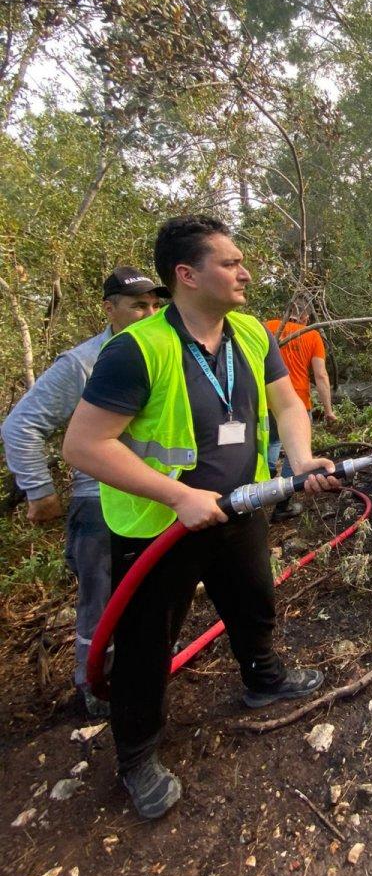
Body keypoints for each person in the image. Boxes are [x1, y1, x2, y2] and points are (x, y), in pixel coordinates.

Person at [63, 215, 339, 820]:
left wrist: (299, 460)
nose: (245, 273)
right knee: (144, 646)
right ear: (187, 275)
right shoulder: (136, 351)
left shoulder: (250, 333)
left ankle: (262, 680)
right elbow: (83, 447)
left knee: (253, 600)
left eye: (242, 262)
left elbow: (287, 400)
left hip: (241, 507)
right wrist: (176, 496)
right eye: (230, 263)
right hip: (159, 529)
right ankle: (136, 757)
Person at [1, 268, 166, 716]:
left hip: (158, 500)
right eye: (138, 305)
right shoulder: (83, 363)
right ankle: (95, 686)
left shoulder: (168, 349)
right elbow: (20, 426)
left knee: (152, 596)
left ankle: (143, 675)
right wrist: (39, 490)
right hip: (101, 503)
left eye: (155, 305)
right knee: (101, 599)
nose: (150, 313)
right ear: (109, 308)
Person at [265, 300, 338, 518]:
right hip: (297, 404)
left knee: (272, 441)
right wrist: (328, 410)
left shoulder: (268, 327)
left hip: (265, 402)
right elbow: (321, 375)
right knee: (294, 455)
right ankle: (282, 505)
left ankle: (264, 486)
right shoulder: (312, 335)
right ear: (306, 319)